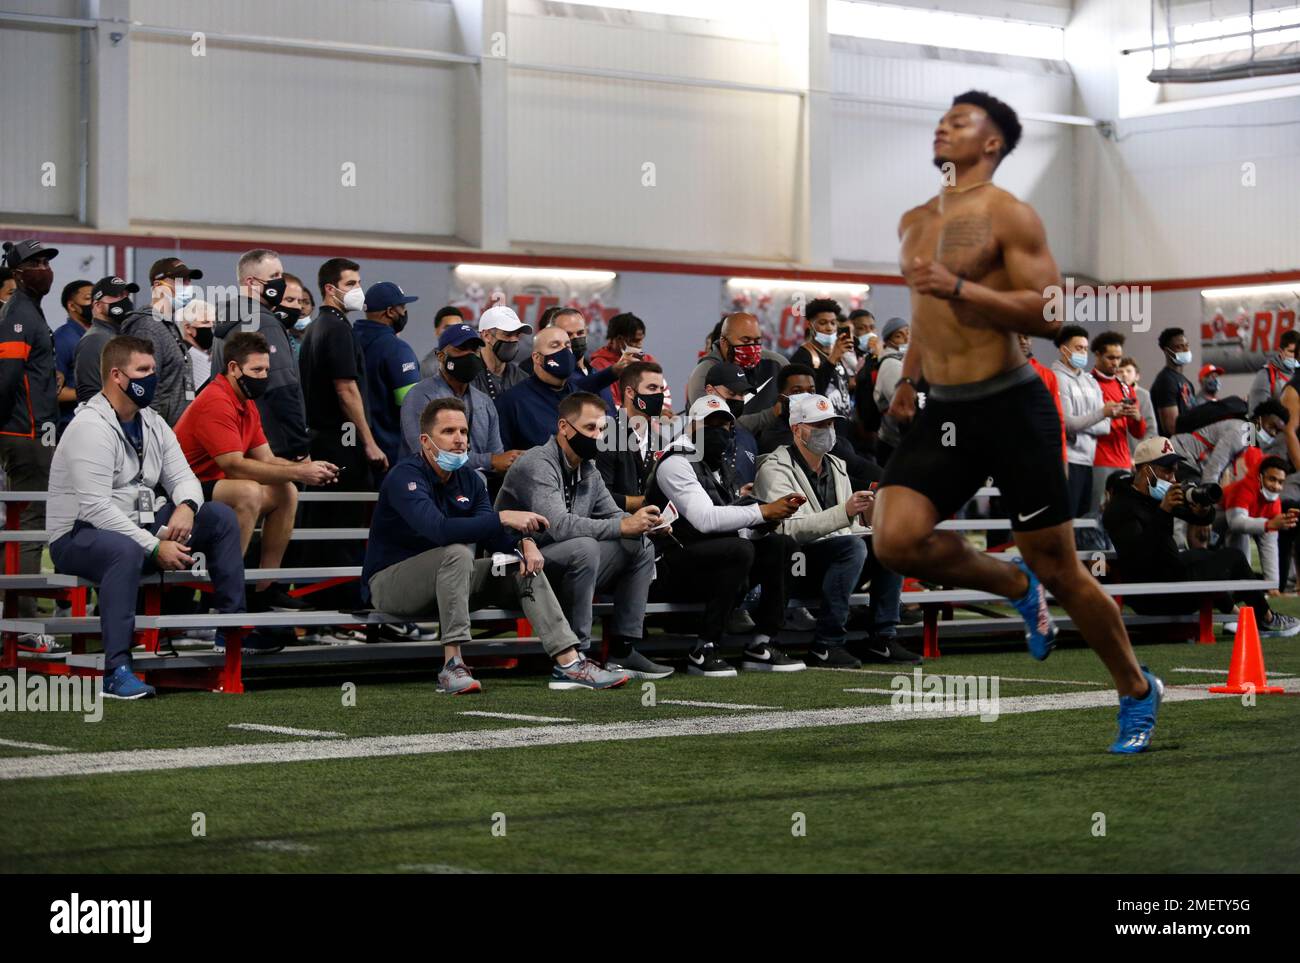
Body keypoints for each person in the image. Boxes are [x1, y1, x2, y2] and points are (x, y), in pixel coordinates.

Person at [873, 90, 1162, 754]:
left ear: (993, 143)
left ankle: (1136, 689)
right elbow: (924, 309)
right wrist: (911, 378)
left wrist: (962, 287)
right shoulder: (914, 219)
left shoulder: (1010, 215)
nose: (944, 126)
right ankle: (1012, 583)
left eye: (962, 121)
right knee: (895, 540)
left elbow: (1053, 312)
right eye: (942, 116)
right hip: (944, 408)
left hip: (1012, 404)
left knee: (1062, 566)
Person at [46, 336, 279, 699]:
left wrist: (187, 505)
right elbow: (95, 507)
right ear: (117, 376)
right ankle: (115, 668)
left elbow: (184, 476)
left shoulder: (151, 422)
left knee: (216, 515)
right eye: (143, 371)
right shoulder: (90, 427)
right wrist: (155, 546)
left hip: (137, 524)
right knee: (123, 552)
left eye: (153, 370)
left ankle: (230, 629)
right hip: (79, 534)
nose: (151, 377)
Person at [362, 397, 630, 693]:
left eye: (464, 432)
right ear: (426, 441)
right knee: (456, 552)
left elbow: (493, 534)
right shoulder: (404, 476)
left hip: (453, 580)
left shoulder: (469, 480)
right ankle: (452, 665)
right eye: (449, 432)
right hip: (392, 585)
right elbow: (438, 530)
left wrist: (525, 543)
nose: (460, 440)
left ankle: (569, 662)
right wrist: (503, 517)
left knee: (519, 564)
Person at [495, 392, 672, 679]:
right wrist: (622, 526)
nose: (599, 436)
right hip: (515, 567)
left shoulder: (587, 469)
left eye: (602, 429)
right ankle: (577, 655)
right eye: (591, 428)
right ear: (564, 427)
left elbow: (613, 515)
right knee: (585, 547)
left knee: (641, 544)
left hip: (558, 564)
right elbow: (558, 527)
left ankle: (623, 650)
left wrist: (645, 524)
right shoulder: (537, 462)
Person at [174, 330, 340, 612]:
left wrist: (307, 468)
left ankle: (265, 587)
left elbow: (267, 458)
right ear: (233, 368)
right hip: (184, 487)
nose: (263, 376)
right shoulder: (216, 400)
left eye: (266, 369)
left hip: (215, 484)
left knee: (285, 490)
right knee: (248, 490)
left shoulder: (246, 403)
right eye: (257, 370)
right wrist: (300, 473)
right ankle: (227, 591)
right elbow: (234, 465)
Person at [644, 395, 805, 676]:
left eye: (724, 424)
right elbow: (704, 520)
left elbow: (731, 524)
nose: (719, 430)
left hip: (709, 561)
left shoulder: (718, 467)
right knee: (738, 550)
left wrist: (763, 523)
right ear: (691, 426)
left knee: (781, 545)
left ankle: (762, 643)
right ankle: (704, 648)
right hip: (667, 565)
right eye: (710, 423)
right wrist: (763, 511)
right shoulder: (675, 462)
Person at [755, 393, 910, 667]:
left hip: (838, 556)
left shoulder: (836, 465)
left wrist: (869, 519)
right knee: (851, 548)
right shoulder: (774, 469)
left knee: (890, 540)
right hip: (795, 564)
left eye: (830, 424)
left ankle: (882, 638)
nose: (827, 431)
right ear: (796, 429)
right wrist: (846, 513)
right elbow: (788, 531)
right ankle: (827, 644)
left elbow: (846, 525)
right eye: (819, 425)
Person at [1102, 436, 1298, 637]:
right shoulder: (1120, 509)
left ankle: (1235, 616)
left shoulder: (1154, 495)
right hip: (1153, 593)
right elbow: (1140, 558)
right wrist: (1164, 512)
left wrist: (1202, 510)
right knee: (1233, 557)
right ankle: (1267, 619)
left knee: (1205, 555)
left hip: (1169, 573)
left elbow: (1204, 519)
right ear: (1146, 470)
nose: (1173, 477)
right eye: (1167, 470)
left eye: (1174, 469)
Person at [297, 257, 384, 608]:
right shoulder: (334, 329)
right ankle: (342, 604)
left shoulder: (320, 327)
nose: (357, 290)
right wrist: (369, 441)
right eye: (350, 284)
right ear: (330, 289)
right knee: (342, 527)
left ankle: (324, 602)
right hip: (340, 443)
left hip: (326, 441)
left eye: (359, 282)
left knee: (326, 526)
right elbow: (345, 389)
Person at [0, 239, 61, 635]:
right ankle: (20, 623)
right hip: (26, 432)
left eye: (45, 261)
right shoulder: (19, 314)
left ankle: (17, 618)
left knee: (28, 523)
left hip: (34, 430)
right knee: (30, 525)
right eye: (35, 262)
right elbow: (6, 376)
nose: (44, 268)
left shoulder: (29, 311)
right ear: (17, 273)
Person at [210, 249, 309, 459]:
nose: (280, 282)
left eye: (281, 275)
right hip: (274, 444)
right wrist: (299, 448)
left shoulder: (228, 321)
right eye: (274, 276)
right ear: (252, 282)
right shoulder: (264, 323)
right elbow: (282, 388)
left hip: (241, 438)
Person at [400, 323, 518, 476]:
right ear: (441, 356)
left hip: (472, 488)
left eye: (474, 350)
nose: (469, 355)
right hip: (423, 483)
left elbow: (497, 457)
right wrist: (490, 461)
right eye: (461, 348)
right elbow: (428, 453)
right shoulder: (420, 396)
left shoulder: (485, 402)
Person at [495, 324, 621, 450]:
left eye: (567, 346)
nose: (564, 352)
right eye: (555, 345)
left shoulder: (583, 399)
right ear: (537, 358)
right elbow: (502, 458)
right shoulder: (511, 402)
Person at [116, 257, 203, 425]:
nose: (187, 286)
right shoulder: (147, 327)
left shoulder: (169, 325)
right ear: (157, 286)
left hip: (176, 431)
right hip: (160, 433)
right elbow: (145, 386)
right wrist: (152, 434)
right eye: (179, 280)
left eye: (188, 280)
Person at [354, 281, 422, 467]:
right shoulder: (396, 349)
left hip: (352, 447)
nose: (405, 313)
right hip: (390, 453)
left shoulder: (349, 338)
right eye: (403, 307)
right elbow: (411, 405)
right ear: (391, 312)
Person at [686, 312, 785, 436]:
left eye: (757, 340)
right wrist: (772, 414)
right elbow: (716, 423)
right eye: (745, 340)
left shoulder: (776, 363)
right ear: (724, 342)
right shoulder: (704, 373)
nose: (752, 347)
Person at [596, 360, 668, 511]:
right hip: (617, 528)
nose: (659, 395)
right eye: (652, 388)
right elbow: (600, 498)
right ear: (630, 392)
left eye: (661, 389)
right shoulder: (605, 437)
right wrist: (649, 503)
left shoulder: (662, 442)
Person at [1090, 331, 1145, 519]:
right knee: (1097, 516)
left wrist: (1137, 417)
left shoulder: (1125, 388)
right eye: (1110, 358)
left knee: (1124, 517)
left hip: (1122, 460)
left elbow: (1139, 432)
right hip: (1098, 459)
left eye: (1118, 358)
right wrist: (1108, 414)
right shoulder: (1088, 384)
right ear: (1097, 355)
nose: (1115, 363)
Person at [1171, 398, 1286, 486]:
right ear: (1260, 418)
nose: (1273, 433)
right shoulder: (1240, 431)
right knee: (1195, 497)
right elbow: (1214, 467)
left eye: (1278, 431)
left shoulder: (1249, 436)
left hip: (1191, 461)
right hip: (1182, 454)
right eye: (1272, 426)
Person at [1222, 455, 1297, 587]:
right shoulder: (1244, 488)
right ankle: (1242, 583)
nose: (1276, 486)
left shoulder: (1275, 502)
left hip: (1242, 526)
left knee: (1267, 537)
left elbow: (1270, 544)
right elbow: (1235, 523)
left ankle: (1249, 584)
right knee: (1240, 534)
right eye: (1272, 479)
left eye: (1280, 482)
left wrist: (1272, 586)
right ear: (1260, 477)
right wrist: (1268, 524)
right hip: (1217, 521)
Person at [590, 311, 673, 413]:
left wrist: (662, 411)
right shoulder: (599, 366)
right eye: (635, 340)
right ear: (619, 339)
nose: (639, 345)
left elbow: (664, 396)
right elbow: (608, 406)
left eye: (641, 340)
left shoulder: (648, 361)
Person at [790, 298, 854, 418]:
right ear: (810, 325)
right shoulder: (802, 356)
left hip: (843, 425)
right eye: (823, 323)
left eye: (833, 323)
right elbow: (809, 397)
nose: (829, 328)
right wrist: (832, 360)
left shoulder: (837, 354)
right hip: (819, 426)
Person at [53, 278, 93, 434]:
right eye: (88, 298)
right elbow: (54, 393)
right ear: (72, 306)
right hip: (71, 426)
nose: (95, 303)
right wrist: (96, 392)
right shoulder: (63, 339)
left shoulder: (101, 335)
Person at [1018, 334, 1065, 461]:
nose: (1023, 341)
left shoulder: (1048, 376)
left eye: (1026, 337)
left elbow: (1058, 420)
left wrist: (1063, 458)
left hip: (1041, 452)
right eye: (1018, 337)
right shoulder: (998, 374)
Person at [872, 317, 912, 464]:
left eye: (908, 333)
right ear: (888, 341)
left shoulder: (902, 361)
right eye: (899, 335)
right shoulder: (891, 364)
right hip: (893, 444)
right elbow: (902, 406)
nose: (906, 338)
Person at [473, 304, 530, 400]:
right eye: (508, 334)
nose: (513, 340)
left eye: (517, 335)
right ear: (487, 335)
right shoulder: (468, 375)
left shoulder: (522, 379)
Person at [1151, 327, 1196, 436]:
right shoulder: (1165, 381)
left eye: (1187, 345)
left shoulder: (1186, 382)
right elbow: (1171, 427)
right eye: (1179, 347)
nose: (1185, 350)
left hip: (1189, 445)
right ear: (1167, 351)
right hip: (1174, 447)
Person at [1248, 331, 1299, 412]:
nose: (1295, 356)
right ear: (1281, 352)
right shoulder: (1266, 375)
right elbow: (1256, 413)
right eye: (1291, 351)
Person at [1117, 356, 1157, 453]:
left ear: (1137, 376)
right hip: (1118, 451)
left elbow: (1151, 428)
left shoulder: (1144, 395)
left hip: (1139, 452)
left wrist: (1142, 452)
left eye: (1128, 371)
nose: (1124, 374)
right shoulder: (1113, 394)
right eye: (1120, 371)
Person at [177, 299, 216, 395]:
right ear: (188, 328)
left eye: (213, 323)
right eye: (205, 322)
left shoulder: (213, 353)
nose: (211, 327)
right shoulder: (179, 355)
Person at [419, 306, 469, 378]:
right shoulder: (429, 366)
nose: (454, 332)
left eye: (458, 327)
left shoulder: (474, 360)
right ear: (437, 331)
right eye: (448, 328)